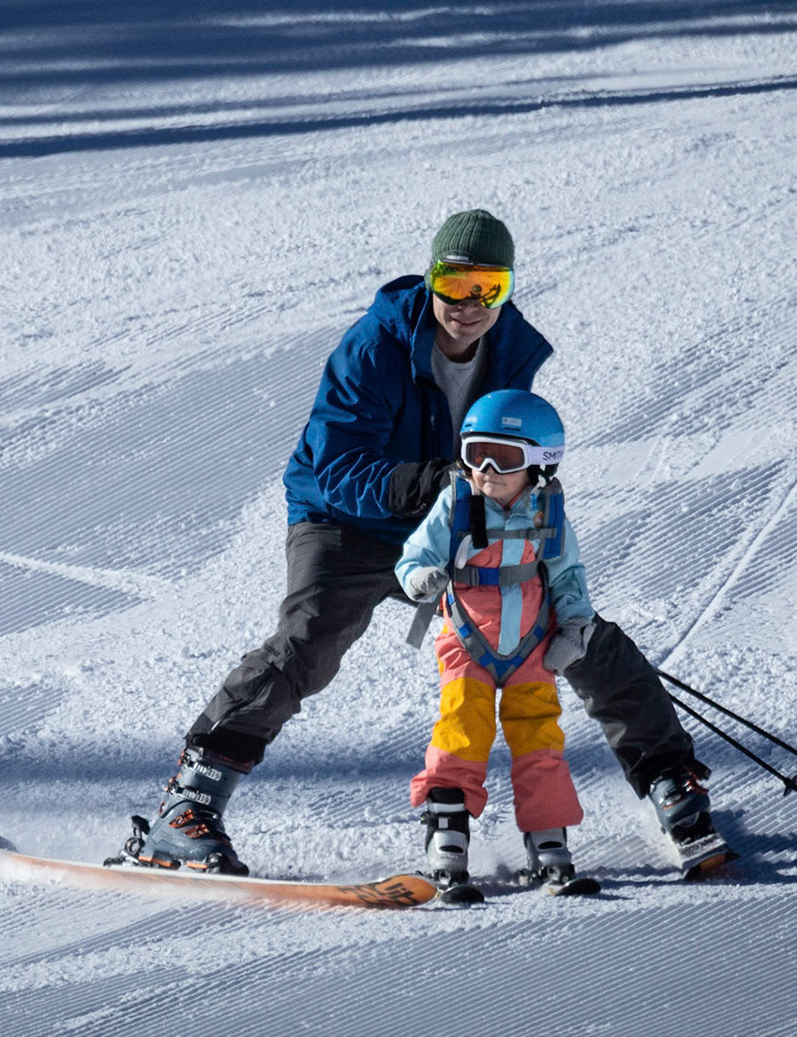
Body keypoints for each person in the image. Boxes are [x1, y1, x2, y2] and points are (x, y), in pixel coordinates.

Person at [119, 209, 717, 876]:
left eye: (487, 286)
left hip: (460, 510)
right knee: (312, 636)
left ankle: (670, 781)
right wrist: (440, 486)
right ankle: (189, 804)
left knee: (562, 625)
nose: (469, 304)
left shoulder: (512, 352)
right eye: (454, 284)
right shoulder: (374, 346)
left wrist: (509, 508)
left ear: (507, 288)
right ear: (431, 279)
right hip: (346, 518)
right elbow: (336, 466)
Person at [397, 389, 598, 901]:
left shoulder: (547, 512)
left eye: (503, 458)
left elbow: (567, 575)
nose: (485, 469)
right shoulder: (457, 504)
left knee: (539, 734)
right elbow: (413, 554)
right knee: (463, 725)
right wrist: (420, 577)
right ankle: (447, 837)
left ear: (539, 462)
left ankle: (549, 842)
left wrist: (575, 626)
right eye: (474, 454)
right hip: (468, 639)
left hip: (532, 643)